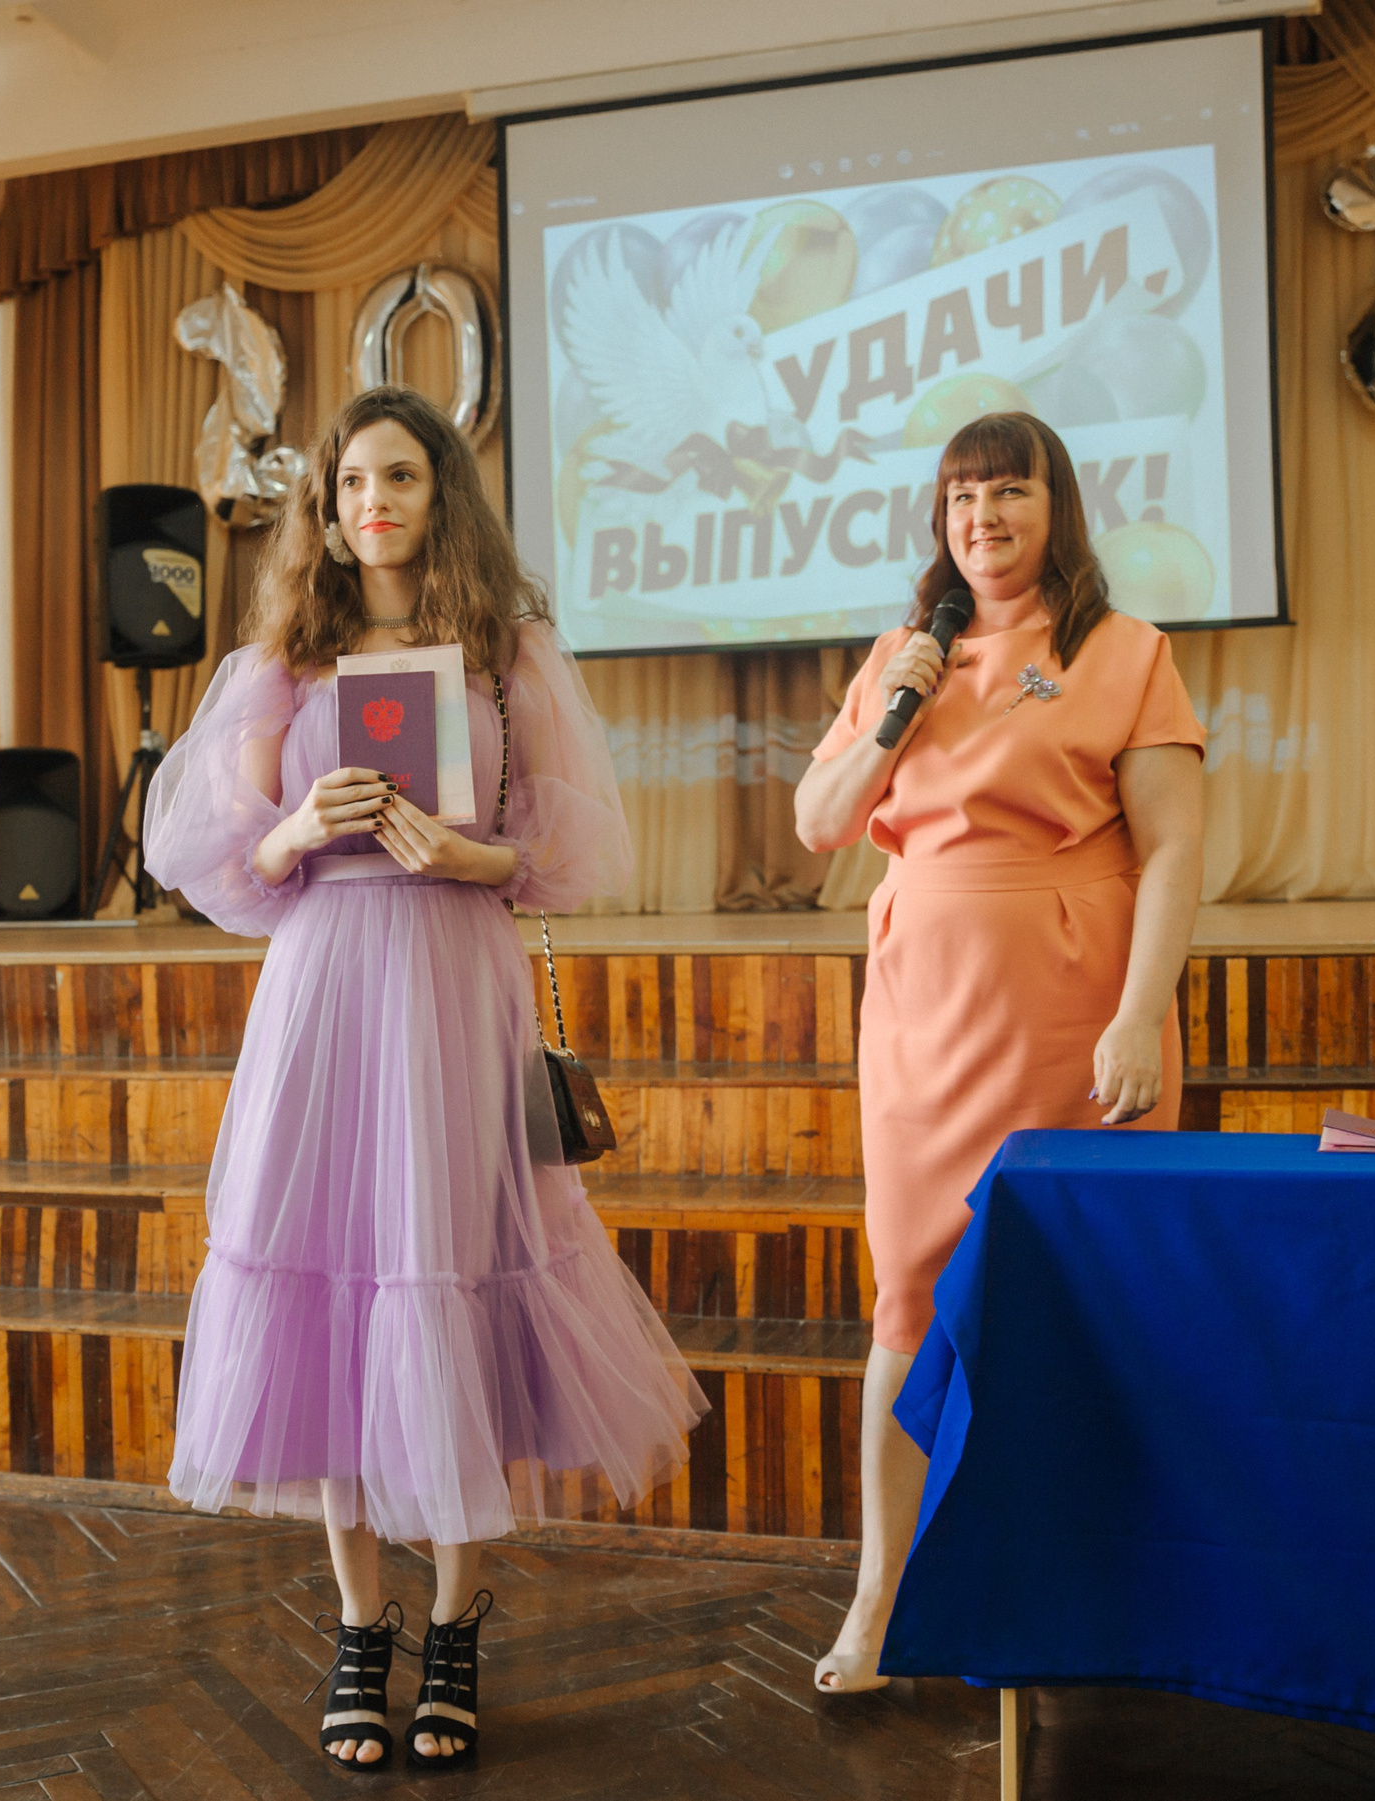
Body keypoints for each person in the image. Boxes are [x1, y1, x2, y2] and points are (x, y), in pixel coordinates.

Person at [141, 385, 707, 1771]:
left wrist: (467, 859)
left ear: (439, 490)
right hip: (328, 988)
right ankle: (359, 1623)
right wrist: (294, 833)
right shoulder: (286, 656)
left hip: (457, 981)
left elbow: (564, 855)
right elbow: (207, 854)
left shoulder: (508, 651)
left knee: (446, 1272)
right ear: (323, 512)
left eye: (399, 474)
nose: (372, 501)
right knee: (332, 1281)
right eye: (348, 483)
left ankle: (455, 1615)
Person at [793, 412, 1206, 1693]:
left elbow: (1175, 851)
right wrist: (895, 719)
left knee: (1096, 1295)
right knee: (908, 1304)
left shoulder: (1125, 652)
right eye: (962, 495)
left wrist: (1140, 1011)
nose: (984, 516)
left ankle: (1103, 1590)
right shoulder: (901, 660)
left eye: (1008, 491)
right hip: (923, 1015)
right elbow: (820, 822)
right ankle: (877, 1600)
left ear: (1054, 506)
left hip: (1075, 1009)